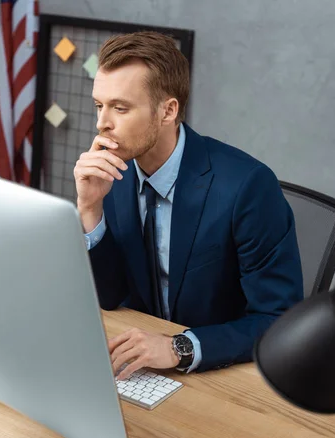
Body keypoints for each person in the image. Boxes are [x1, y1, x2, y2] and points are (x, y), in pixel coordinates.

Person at [74, 31, 303, 381]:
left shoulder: (248, 186)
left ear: (168, 110)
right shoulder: (114, 173)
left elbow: (279, 320)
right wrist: (90, 210)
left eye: (120, 108)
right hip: (140, 368)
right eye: (99, 105)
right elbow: (112, 294)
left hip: (221, 374)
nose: (102, 122)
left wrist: (179, 347)